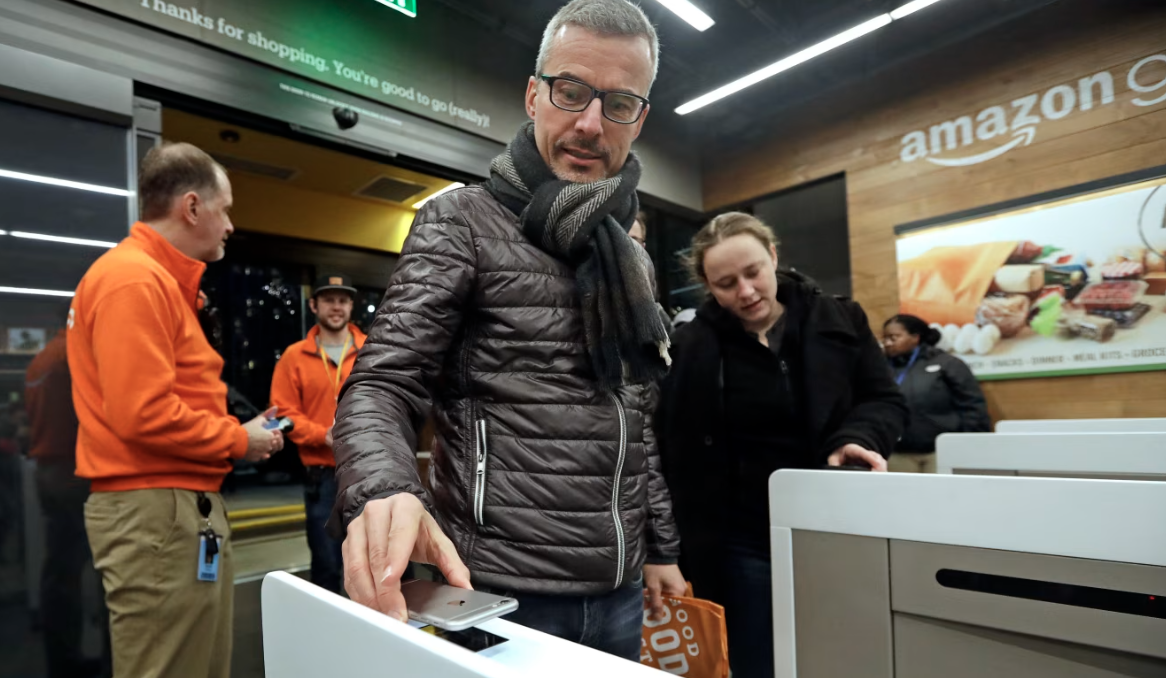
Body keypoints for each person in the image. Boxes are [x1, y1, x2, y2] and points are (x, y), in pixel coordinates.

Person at [330, 0, 684, 661]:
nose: (589, 123)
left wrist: (661, 547)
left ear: (639, 120)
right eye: (570, 91)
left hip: (620, 590)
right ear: (533, 95)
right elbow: (381, 384)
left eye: (618, 104)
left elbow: (635, 417)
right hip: (496, 591)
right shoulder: (461, 222)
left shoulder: (630, 259)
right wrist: (385, 488)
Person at [655, 212, 908, 678]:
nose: (746, 291)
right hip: (744, 537)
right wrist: (663, 548)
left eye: (753, 272)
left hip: (835, 521)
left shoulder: (839, 318)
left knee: (843, 651)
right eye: (726, 283)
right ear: (708, 286)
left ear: (773, 257)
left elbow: (884, 400)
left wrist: (856, 438)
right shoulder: (691, 346)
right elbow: (670, 447)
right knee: (759, 658)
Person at [67, 142, 284, 678]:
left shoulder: (154, 281)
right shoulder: (134, 280)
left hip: (171, 510)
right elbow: (142, 414)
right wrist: (240, 439)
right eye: (224, 209)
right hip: (157, 513)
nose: (229, 225)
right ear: (191, 207)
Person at [270, 273, 368, 594]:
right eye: (328, 300)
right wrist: (321, 434)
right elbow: (282, 415)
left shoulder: (371, 351)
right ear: (313, 305)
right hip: (322, 477)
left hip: (367, 472)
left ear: (351, 306)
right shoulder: (294, 356)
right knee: (326, 565)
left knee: (373, 563)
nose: (336, 307)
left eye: (342, 300)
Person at [25, 329, 109, 678]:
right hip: (76, 474)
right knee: (109, 571)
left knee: (61, 573)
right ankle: (111, 664)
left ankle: (63, 662)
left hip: (50, 472)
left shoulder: (42, 358)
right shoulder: (73, 356)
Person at [882, 314, 990, 472]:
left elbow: (972, 406)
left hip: (941, 451)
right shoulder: (880, 368)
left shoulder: (948, 364)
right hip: (896, 452)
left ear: (916, 337)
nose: (887, 343)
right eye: (885, 338)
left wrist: (971, 444)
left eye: (894, 337)